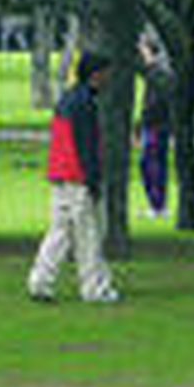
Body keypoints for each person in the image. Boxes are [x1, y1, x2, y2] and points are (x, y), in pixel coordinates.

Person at [26, 53, 119, 304]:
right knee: (89, 235)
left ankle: (40, 281)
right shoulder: (86, 104)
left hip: (60, 175)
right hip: (78, 177)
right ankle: (95, 288)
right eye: (106, 72)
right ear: (95, 74)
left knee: (59, 232)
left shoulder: (67, 99)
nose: (108, 78)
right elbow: (87, 146)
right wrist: (94, 180)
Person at [136, 33, 173, 219]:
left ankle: (157, 205)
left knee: (150, 164)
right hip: (156, 125)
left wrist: (142, 123)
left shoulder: (157, 72)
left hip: (156, 125)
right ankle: (158, 205)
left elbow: (153, 102)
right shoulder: (155, 72)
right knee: (154, 164)